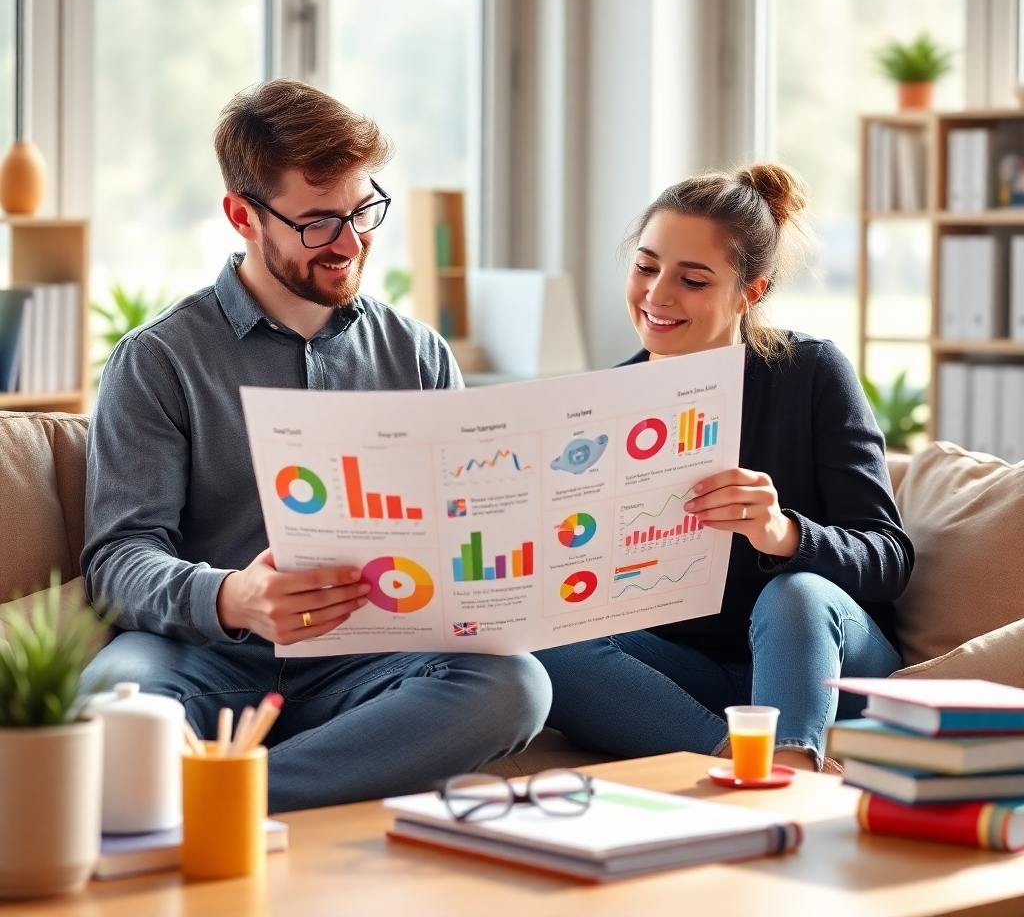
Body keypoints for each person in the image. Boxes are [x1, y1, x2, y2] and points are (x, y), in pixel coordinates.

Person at [83, 79, 551, 812]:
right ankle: (258, 790)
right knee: (114, 701)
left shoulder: (419, 355)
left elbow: (468, 532)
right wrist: (233, 597)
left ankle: (232, 800)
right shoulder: (159, 359)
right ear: (242, 215)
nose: (351, 242)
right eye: (319, 222)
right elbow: (117, 560)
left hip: (370, 665)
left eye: (363, 211)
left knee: (515, 683)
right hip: (208, 658)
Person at [534, 163, 913, 772]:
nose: (658, 295)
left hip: (823, 659)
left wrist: (784, 534)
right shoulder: (604, 405)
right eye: (646, 267)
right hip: (687, 680)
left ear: (750, 293)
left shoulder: (811, 373)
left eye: (692, 279)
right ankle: (744, 761)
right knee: (538, 642)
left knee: (795, 593)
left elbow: (889, 559)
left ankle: (785, 765)